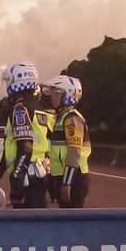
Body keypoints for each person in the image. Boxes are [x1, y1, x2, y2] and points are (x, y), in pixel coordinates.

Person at [0, 63, 53, 208]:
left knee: (26, 223)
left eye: (8, 81)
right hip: (40, 174)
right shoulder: (41, 109)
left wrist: (17, 180)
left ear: (17, 82)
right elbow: (10, 146)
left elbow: (25, 148)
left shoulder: (20, 109)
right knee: (39, 221)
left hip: (27, 176)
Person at [40, 75, 91, 208]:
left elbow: (74, 152)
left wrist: (67, 183)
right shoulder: (61, 118)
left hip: (74, 178)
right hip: (62, 176)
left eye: (57, 93)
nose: (52, 96)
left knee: (73, 222)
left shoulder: (72, 119)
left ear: (68, 95)